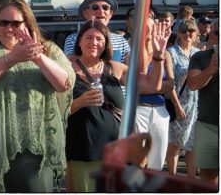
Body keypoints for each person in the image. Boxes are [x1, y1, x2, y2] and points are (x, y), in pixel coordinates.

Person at [0, 0, 75, 192]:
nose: (8, 28)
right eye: (3, 22)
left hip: (33, 145)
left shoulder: (49, 50)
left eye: (15, 23)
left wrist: (37, 56)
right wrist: (12, 58)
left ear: (28, 24)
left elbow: (64, 83)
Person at [65, 19, 170, 192]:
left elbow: (153, 85)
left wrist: (158, 56)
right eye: (89, 38)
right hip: (83, 151)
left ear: (106, 44)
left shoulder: (114, 68)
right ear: (80, 41)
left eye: (99, 39)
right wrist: (79, 102)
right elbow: (55, 110)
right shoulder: (67, 68)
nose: (94, 43)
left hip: (117, 151)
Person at [134, 11, 175, 171]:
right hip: (138, 110)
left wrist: (154, 86)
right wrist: (146, 42)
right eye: (145, 27)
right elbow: (138, 82)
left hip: (160, 111)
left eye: (151, 26)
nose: (149, 30)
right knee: (137, 160)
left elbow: (170, 84)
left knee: (157, 162)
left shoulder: (165, 53)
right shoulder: (133, 52)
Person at [166, 19, 200, 178]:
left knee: (192, 146)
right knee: (174, 145)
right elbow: (170, 84)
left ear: (196, 34)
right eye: (184, 31)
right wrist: (177, 105)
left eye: (191, 31)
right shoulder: (171, 53)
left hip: (196, 106)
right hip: (178, 104)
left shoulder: (198, 54)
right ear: (178, 33)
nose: (188, 34)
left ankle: (191, 182)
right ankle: (173, 181)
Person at [187, 19, 219, 185]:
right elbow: (193, 84)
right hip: (207, 125)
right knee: (207, 175)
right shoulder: (200, 57)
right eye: (217, 33)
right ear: (211, 35)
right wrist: (210, 70)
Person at [64, 0, 130, 64]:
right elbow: (71, 63)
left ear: (110, 13)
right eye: (95, 7)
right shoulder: (73, 39)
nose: (101, 11)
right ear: (86, 13)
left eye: (105, 7)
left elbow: (133, 66)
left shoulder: (121, 41)